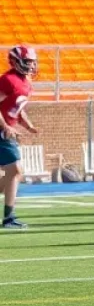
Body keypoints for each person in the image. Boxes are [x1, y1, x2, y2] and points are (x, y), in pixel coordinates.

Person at [0, 46, 39, 230]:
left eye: (32, 61)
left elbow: (18, 107)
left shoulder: (26, 82)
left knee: (13, 173)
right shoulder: (8, 80)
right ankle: (8, 217)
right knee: (15, 170)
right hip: (2, 131)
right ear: (15, 61)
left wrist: (27, 124)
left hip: (7, 130)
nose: (31, 65)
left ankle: (8, 216)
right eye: (28, 61)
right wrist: (6, 126)